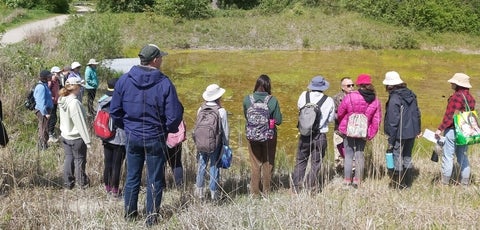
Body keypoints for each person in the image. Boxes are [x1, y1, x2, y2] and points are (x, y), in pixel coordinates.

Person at [110, 44, 183, 226]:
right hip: (155, 137)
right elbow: (174, 117)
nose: (162, 61)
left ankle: (130, 215)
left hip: (133, 136)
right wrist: (165, 130)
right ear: (155, 60)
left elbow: (115, 112)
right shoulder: (165, 83)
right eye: (161, 58)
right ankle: (151, 219)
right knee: (154, 179)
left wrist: (128, 127)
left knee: (132, 177)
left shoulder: (124, 80)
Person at [292, 76, 335, 194]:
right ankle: (310, 188)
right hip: (320, 135)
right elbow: (331, 119)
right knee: (316, 163)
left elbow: (300, 110)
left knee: (301, 161)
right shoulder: (329, 100)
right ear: (323, 87)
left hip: (304, 134)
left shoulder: (303, 95)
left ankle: (296, 188)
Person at [337, 74, 381, 188]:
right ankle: (358, 180)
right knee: (360, 154)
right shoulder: (375, 100)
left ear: (358, 84)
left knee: (348, 154)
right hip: (363, 130)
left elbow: (341, 112)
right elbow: (377, 120)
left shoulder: (350, 96)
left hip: (349, 129)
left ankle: (347, 180)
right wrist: (370, 133)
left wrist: (343, 125)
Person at [242, 74, 282, 197]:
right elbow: (279, 120)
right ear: (268, 86)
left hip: (252, 136)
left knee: (255, 164)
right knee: (268, 163)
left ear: (256, 85)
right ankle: (266, 192)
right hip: (269, 136)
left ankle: (254, 193)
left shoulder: (247, 99)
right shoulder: (273, 100)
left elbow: (247, 117)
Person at [435, 73, 475, 186]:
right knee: (462, 156)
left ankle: (444, 183)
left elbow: (450, 117)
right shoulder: (471, 98)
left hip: (453, 130)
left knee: (448, 156)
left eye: (453, 82)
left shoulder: (456, 97)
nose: (451, 83)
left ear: (457, 84)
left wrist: (440, 129)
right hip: (466, 131)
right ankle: (465, 183)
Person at [383, 71, 421, 189]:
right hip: (412, 132)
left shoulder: (395, 98)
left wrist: (391, 138)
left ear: (389, 85)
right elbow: (417, 113)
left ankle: (399, 184)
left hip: (399, 133)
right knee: (407, 156)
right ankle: (408, 183)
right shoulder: (411, 94)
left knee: (397, 156)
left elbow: (393, 121)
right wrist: (418, 130)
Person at [194, 84, 229, 200]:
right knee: (214, 166)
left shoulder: (200, 109)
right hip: (215, 144)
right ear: (218, 97)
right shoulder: (221, 111)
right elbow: (225, 131)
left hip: (200, 143)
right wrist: (226, 145)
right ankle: (214, 196)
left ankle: (199, 193)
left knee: (202, 165)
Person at [58, 77, 91, 189]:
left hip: (65, 135)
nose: (81, 89)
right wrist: (88, 141)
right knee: (79, 160)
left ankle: (68, 183)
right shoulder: (74, 103)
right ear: (76, 87)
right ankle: (81, 184)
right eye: (80, 86)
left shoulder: (62, 99)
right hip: (76, 137)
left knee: (69, 158)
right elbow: (80, 123)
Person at [97, 78, 126, 197]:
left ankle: (107, 187)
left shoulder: (101, 100)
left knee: (107, 163)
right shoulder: (120, 100)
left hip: (105, 136)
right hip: (119, 138)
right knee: (116, 164)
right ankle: (115, 190)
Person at [332, 77, 355, 172]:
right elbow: (333, 114)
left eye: (353, 85)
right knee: (338, 156)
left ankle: (352, 173)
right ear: (342, 87)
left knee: (353, 155)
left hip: (354, 131)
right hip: (339, 131)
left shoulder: (357, 97)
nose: (352, 87)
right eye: (349, 86)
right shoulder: (336, 98)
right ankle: (339, 173)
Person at [34, 70, 54, 150]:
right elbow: (40, 102)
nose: (51, 77)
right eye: (49, 76)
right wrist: (45, 113)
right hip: (43, 111)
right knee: (43, 128)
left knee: (45, 127)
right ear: (45, 77)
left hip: (46, 110)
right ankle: (42, 146)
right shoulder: (41, 87)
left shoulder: (45, 85)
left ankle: (44, 144)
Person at [48, 66, 62, 143]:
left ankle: (51, 132)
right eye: (58, 73)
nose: (59, 74)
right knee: (53, 118)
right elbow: (47, 91)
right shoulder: (50, 82)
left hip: (55, 102)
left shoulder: (57, 81)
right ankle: (50, 134)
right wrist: (52, 98)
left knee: (54, 117)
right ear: (53, 73)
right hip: (51, 103)